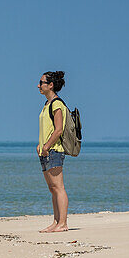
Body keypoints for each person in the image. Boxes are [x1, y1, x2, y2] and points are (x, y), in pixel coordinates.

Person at [37, 71, 70, 232]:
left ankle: (63, 223)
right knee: (52, 189)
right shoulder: (47, 104)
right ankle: (56, 221)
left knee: (59, 187)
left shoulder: (57, 104)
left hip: (54, 150)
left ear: (51, 85)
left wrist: (46, 146)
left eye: (41, 82)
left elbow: (58, 130)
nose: (38, 85)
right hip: (45, 151)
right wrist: (40, 145)